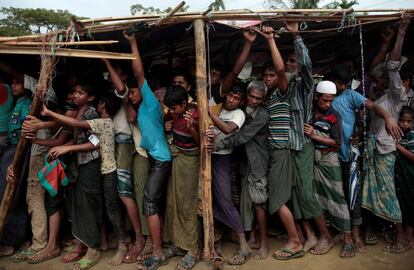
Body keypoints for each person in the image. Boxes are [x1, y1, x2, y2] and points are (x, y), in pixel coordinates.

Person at [41, 92, 130, 265]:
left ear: (102, 104)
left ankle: (122, 245)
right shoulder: (101, 123)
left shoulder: (103, 122)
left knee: (111, 209)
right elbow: (90, 138)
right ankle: (103, 242)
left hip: (108, 171)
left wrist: (50, 113)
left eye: (79, 92)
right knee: (104, 207)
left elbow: (75, 123)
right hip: (103, 170)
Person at [361, 13, 410, 253]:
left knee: (389, 194)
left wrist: (401, 33)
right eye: (375, 78)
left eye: (379, 77)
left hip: (385, 152)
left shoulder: (395, 95)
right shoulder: (377, 99)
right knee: (376, 193)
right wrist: (385, 42)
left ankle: (401, 237)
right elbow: (377, 67)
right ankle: (388, 231)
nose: (376, 80)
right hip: (375, 150)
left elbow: (392, 66)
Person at [125, 31, 172, 270]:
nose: (130, 95)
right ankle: (159, 245)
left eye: (132, 91)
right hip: (157, 159)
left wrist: (133, 41)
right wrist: (127, 99)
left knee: (149, 203)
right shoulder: (140, 109)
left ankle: (157, 252)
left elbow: (138, 72)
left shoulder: (150, 102)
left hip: (162, 160)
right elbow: (131, 115)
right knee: (153, 202)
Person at [208, 80, 270, 260]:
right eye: (251, 96)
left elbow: (239, 136)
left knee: (258, 202)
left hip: (256, 162)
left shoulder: (260, 115)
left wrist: (217, 145)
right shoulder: (240, 111)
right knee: (243, 202)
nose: (253, 100)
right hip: (243, 163)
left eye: (258, 98)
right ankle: (247, 238)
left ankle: (262, 242)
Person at [257, 25, 304, 260]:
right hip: (275, 152)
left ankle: (295, 241)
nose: (268, 78)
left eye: (271, 75)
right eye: (265, 76)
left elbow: (279, 67)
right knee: (280, 198)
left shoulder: (282, 92)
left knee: (276, 200)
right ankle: (298, 237)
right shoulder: (269, 97)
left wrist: (270, 39)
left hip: (281, 151)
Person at [46, 81, 103, 270]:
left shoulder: (91, 113)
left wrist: (67, 147)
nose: (76, 95)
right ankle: (81, 244)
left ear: (91, 97)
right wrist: (61, 147)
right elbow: (77, 137)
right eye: (75, 92)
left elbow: (95, 142)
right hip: (79, 165)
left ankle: (93, 250)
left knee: (87, 205)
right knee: (78, 205)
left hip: (90, 165)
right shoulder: (79, 111)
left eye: (80, 92)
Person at [101, 58, 146, 263]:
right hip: (113, 143)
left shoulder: (124, 90)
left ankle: (138, 239)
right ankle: (127, 235)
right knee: (117, 193)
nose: (110, 76)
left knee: (124, 193)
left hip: (124, 143)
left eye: (115, 72)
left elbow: (119, 85)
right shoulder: (110, 94)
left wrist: (106, 61)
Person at [305, 81, 354, 258]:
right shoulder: (309, 112)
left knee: (338, 199)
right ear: (316, 97)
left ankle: (348, 240)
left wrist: (314, 136)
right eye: (324, 100)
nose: (327, 104)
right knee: (318, 199)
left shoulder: (334, 116)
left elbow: (337, 142)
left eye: (330, 101)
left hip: (329, 161)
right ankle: (328, 235)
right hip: (314, 161)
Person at [208, 83, 252, 265]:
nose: (232, 101)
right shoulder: (218, 107)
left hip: (222, 159)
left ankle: (244, 244)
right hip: (207, 157)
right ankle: (216, 238)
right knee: (209, 200)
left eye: (236, 99)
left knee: (224, 200)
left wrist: (209, 114)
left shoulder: (238, 114)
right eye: (230, 96)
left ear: (241, 102)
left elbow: (227, 130)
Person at [163, 85, 201, 270]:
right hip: (177, 158)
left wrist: (191, 127)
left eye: (174, 108)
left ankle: (192, 249)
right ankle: (179, 243)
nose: (172, 111)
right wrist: (166, 124)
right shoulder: (173, 112)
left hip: (190, 162)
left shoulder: (195, 114)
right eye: (170, 108)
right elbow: (165, 121)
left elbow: (201, 143)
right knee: (173, 202)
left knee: (187, 204)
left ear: (184, 104)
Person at [0, 73, 32, 257]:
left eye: (17, 83)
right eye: (12, 82)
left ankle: (13, 241)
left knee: (12, 193)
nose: (13, 85)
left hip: (19, 149)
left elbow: (25, 132)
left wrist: (16, 158)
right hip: (12, 148)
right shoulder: (19, 102)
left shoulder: (27, 103)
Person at [209, 29, 257, 105]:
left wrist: (248, 43)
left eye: (214, 75)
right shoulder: (198, 89)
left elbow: (235, 72)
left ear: (221, 80)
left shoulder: (218, 93)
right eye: (209, 73)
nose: (209, 77)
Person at [394, 106, 414, 249]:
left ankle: (409, 235)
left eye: (409, 121)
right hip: (401, 176)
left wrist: (399, 147)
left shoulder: (411, 136)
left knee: (411, 204)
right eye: (402, 120)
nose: (405, 124)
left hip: (411, 176)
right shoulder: (396, 133)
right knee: (402, 204)